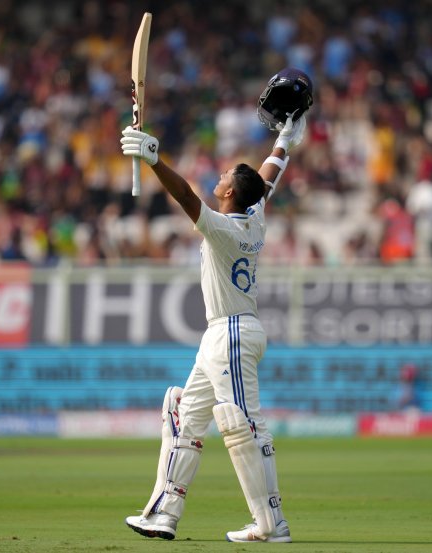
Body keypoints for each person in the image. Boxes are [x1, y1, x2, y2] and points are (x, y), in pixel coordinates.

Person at [120, 68, 312, 543]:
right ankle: (163, 513)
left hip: (231, 332)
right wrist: (285, 138)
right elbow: (269, 174)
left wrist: (154, 159)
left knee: (241, 424)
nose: (218, 178)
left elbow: (185, 197)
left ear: (228, 194)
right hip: (219, 336)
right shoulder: (255, 211)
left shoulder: (224, 227)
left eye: (224, 177)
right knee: (183, 414)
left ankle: (271, 524)